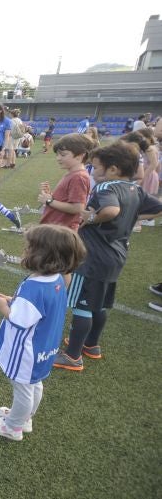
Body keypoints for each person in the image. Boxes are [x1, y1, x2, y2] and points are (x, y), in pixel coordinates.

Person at [53, 143, 162, 371]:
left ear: (112, 169)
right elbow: (158, 207)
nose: (93, 171)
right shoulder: (135, 189)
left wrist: (90, 218)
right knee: (99, 304)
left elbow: (111, 211)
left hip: (92, 257)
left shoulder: (107, 188)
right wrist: (133, 218)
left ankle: (73, 356)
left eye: (95, 167)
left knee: (82, 305)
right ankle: (91, 345)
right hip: (116, 255)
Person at [0, 225, 87, 441]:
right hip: (44, 346)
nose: (25, 250)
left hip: (26, 350)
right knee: (34, 383)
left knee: (23, 387)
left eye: (29, 247)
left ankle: (13, 427)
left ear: (43, 255)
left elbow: (19, 320)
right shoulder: (57, 279)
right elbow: (39, 310)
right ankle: (25, 418)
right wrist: (15, 301)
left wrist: (2, 305)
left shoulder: (34, 287)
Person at [37, 134, 93, 230]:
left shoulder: (78, 177)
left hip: (61, 231)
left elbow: (77, 208)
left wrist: (49, 201)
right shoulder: (73, 174)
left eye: (63, 155)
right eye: (57, 154)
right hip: (56, 228)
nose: (58, 158)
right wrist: (50, 195)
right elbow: (66, 200)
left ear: (80, 156)